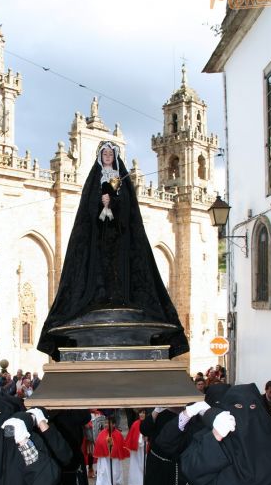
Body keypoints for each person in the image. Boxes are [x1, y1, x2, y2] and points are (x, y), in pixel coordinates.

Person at [38, 141, 189, 360]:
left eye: (111, 153)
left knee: (121, 267)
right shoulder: (93, 181)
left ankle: (121, 295)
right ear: (100, 157)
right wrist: (100, 203)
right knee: (98, 268)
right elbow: (86, 212)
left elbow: (129, 210)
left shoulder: (123, 181)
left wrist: (115, 202)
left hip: (121, 238)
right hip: (97, 238)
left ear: (115, 157)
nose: (108, 156)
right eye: (105, 153)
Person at [93, 416, 128, 485]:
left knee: (114, 471)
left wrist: (113, 444)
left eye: (108, 423)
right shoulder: (102, 433)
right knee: (102, 471)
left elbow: (119, 445)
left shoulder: (118, 434)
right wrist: (106, 443)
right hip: (104, 457)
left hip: (114, 458)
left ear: (114, 424)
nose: (106, 425)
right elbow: (99, 443)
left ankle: (113, 483)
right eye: (105, 423)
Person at [125, 410, 147, 485]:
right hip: (136, 449)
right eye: (141, 413)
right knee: (136, 465)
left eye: (144, 413)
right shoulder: (135, 424)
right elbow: (132, 436)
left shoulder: (149, 423)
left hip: (146, 448)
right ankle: (136, 484)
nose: (142, 414)